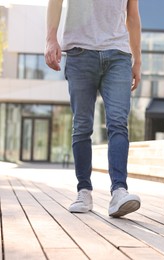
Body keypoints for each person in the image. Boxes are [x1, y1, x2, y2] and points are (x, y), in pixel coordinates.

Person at [45, 0, 142, 218]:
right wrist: (51, 39)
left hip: (118, 54)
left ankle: (119, 190)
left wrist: (138, 61)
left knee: (118, 123)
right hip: (80, 52)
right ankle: (84, 191)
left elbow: (133, 16)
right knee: (82, 126)